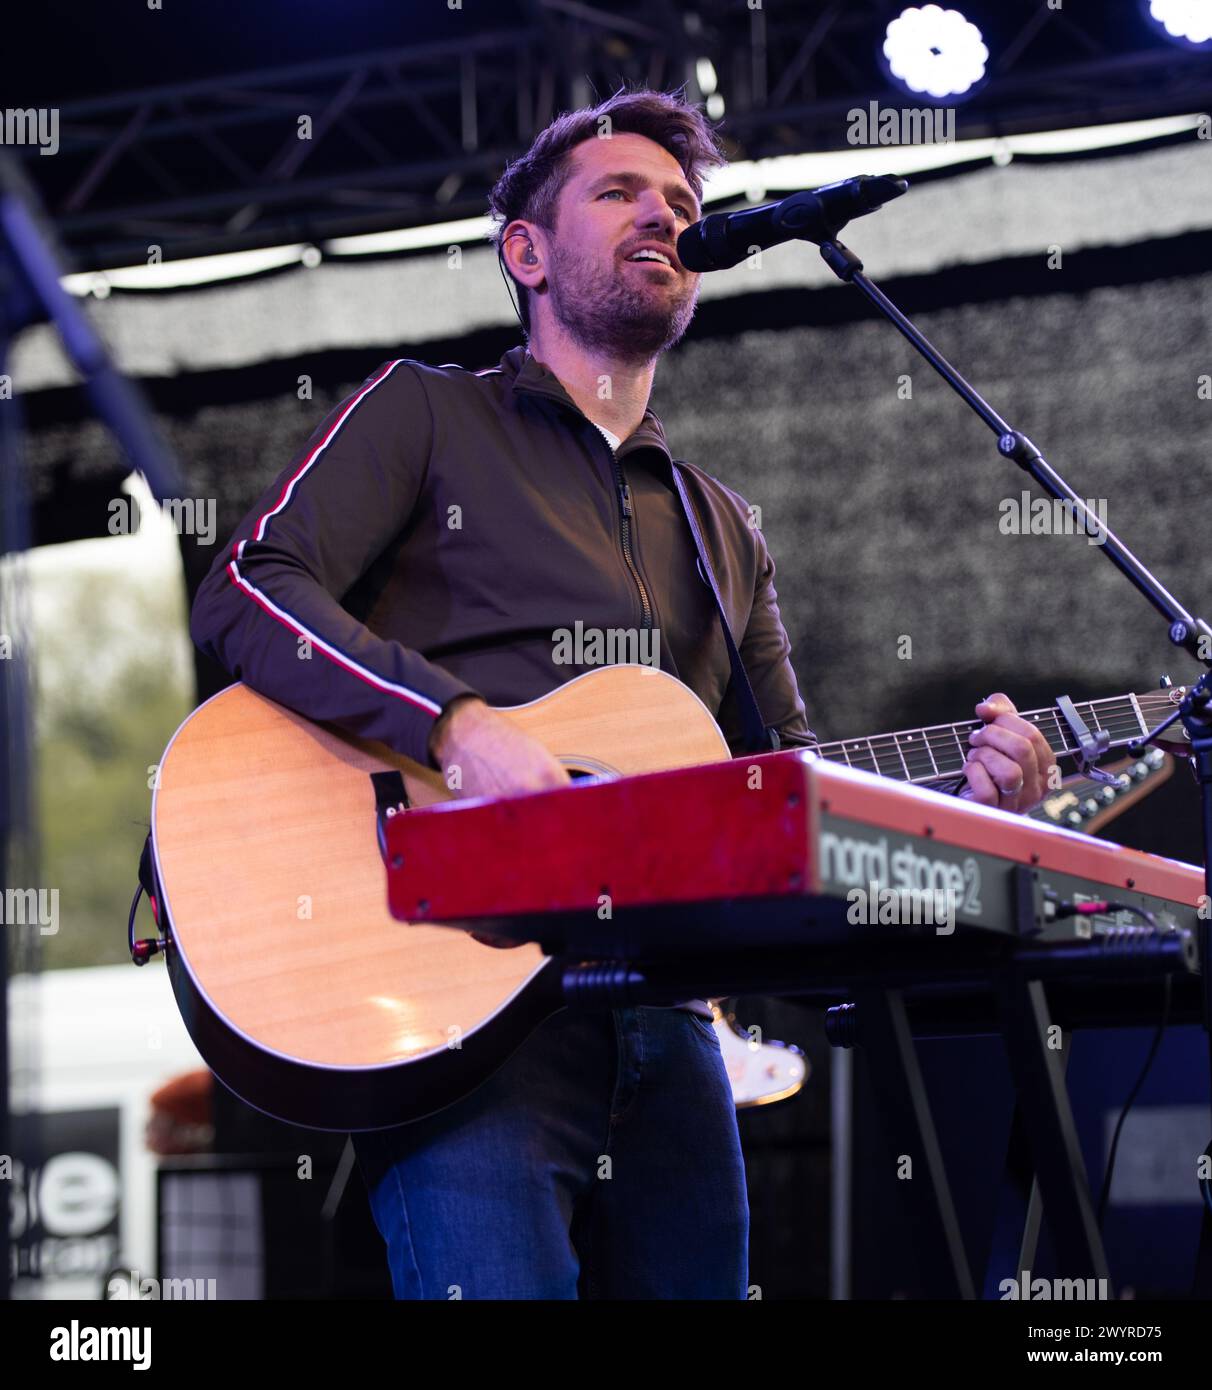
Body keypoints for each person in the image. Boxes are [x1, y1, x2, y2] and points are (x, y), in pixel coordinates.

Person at [190, 87, 1055, 1299]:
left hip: (669, 1021)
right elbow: (248, 589)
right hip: (461, 994)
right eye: (621, 192)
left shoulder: (723, 528)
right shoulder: (426, 413)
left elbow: (791, 789)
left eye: (684, 203)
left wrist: (967, 810)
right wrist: (458, 725)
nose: (666, 214)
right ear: (525, 252)